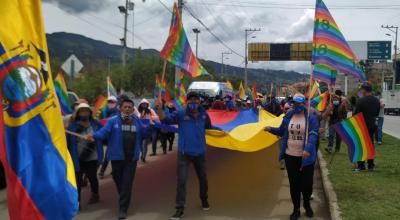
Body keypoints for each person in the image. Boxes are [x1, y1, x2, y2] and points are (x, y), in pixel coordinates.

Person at [87, 98, 152, 219]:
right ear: (120, 108)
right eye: (125, 107)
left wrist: (151, 127)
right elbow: (103, 133)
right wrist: (94, 136)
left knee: (127, 183)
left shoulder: (137, 121)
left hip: (131, 159)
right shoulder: (112, 121)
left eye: (130, 107)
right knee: (118, 179)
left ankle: (123, 208)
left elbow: (145, 134)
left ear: (133, 109)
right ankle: (124, 195)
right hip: (116, 158)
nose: (127, 109)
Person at [156, 92, 212, 220]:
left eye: (195, 100)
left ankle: (204, 199)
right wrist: (159, 108)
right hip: (184, 154)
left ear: (199, 101)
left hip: (200, 153)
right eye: (190, 100)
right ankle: (179, 209)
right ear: (187, 102)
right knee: (181, 181)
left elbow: (209, 128)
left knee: (203, 179)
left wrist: (224, 133)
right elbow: (165, 119)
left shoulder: (204, 114)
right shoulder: (181, 114)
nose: (193, 103)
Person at [264, 93, 319, 220]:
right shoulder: (289, 115)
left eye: (300, 103)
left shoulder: (310, 117)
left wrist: (308, 148)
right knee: (294, 185)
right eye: (295, 103)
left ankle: (306, 203)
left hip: (306, 157)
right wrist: (270, 129)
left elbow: (314, 133)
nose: (297, 106)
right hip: (291, 156)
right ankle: (296, 209)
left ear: (304, 103)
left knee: (307, 185)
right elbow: (282, 131)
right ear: (292, 103)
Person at [66, 103, 103, 208]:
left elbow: (103, 135)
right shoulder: (72, 126)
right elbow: (67, 143)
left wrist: (95, 137)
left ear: (90, 113)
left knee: (92, 178)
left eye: (86, 111)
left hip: (93, 157)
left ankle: (95, 195)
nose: (84, 113)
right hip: (77, 158)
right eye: (82, 111)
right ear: (78, 113)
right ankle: (77, 202)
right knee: (77, 181)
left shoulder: (96, 124)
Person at [354, 84, 380, 171]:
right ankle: (371, 165)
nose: (361, 91)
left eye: (362, 90)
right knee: (370, 144)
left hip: (362, 125)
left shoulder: (361, 101)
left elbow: (355, 114)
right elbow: (377, 113)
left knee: (361, 144)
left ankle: (361, 166)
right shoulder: (376, 100)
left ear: (364, 90)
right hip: (372, 125)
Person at [99, 96, 120, 178]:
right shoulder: (103, 111)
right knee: (108, 154)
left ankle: (112, 170)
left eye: (112, 102)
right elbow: (100, 122)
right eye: (109, 102)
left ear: (116, 103)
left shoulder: (119, 112)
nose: (110, 103)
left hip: (117, 135)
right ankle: (102, 170)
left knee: (113, 154)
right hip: (107, 135)